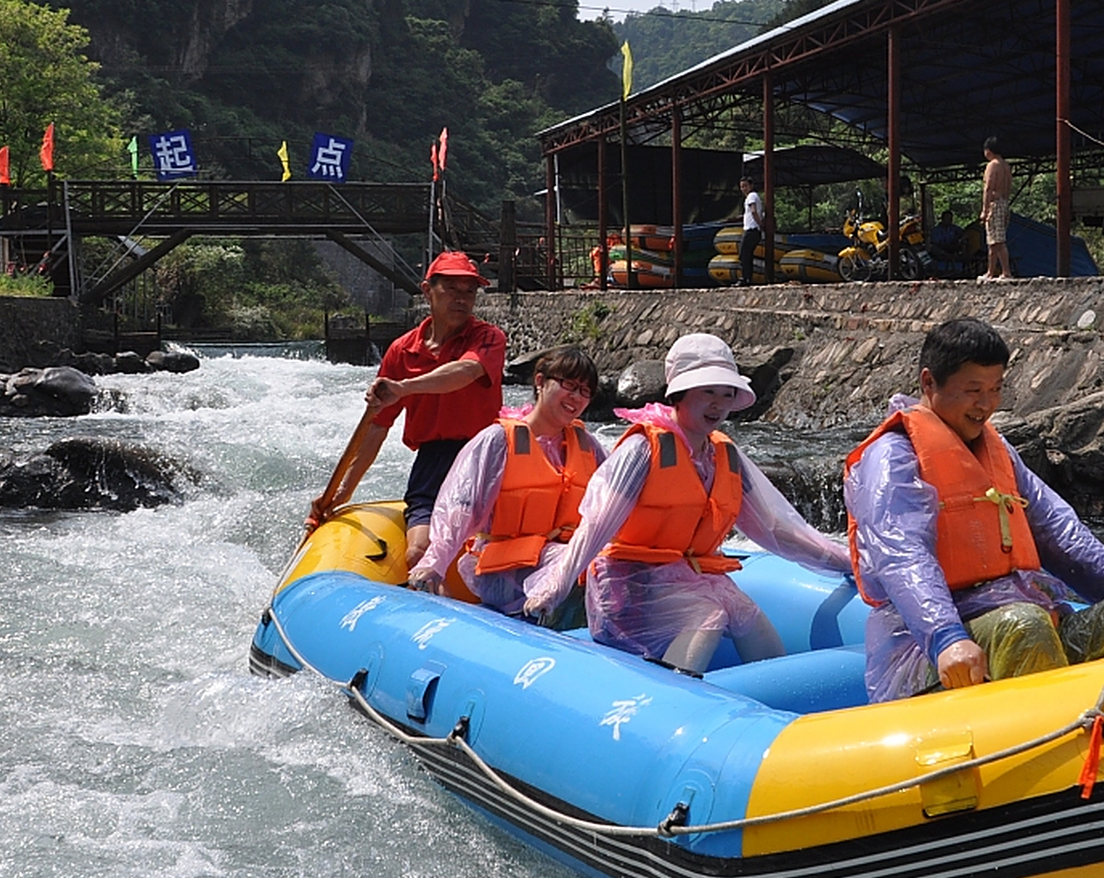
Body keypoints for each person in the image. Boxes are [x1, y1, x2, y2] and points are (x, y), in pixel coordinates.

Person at [844, 317, 1104, 703]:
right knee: (1022, 626)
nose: (987, 405)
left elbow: (1061, 533)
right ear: (929, 383)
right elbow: (902, 555)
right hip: (926, 652)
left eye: (995, 389)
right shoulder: (892, 458)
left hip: (1024, 622)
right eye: (973, 390)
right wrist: (946, 637)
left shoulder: (998, 451)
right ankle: (1053, 745)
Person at [523, 332, 849, 673]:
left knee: (748, 617)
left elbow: (775, 530)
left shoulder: (725, 454)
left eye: (726, 394)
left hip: (690, 578)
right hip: (629, 586)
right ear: (680, 394)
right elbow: (597, 525)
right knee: (708, 614)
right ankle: (671, 702)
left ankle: (785, 708)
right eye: (707, 391)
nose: (718, 404)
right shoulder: (643, 450)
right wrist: (555, 586)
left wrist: (846, 561)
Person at [308, 250, 506, 568]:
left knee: (477, 545)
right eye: (451, 289)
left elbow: (466, 372)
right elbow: (377, 428)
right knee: (418, 552)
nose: (462, 299)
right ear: (427, 291)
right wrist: (343, 491)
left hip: (484, 455)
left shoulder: (487, 337)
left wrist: (403, 388)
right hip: (433, 459)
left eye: (469, 291)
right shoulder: (401, 351)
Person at [406, 345, 606, 626]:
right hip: (502, 569)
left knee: (600, 563)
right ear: (540, 381)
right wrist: (433, 563)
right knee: (577, 562)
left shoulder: (588, 447)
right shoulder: (498, 441)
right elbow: (461, 507)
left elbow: (611, 509)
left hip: (564, 561)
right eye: (569, 385)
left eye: (585, 391)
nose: (576, 397)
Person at [979, 137, 1013, 280]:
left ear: (989, 150)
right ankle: (990, 272)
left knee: (998, 240)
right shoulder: (1006, 166)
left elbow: (988, 188)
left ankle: (1006, 272)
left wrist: (985, 210)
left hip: (995, 204)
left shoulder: (993, 165)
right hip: (1004, 202)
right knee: (993, 241)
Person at [738, 175, 767, 286]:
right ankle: (747, 278)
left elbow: (753, 211)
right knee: (747, 254)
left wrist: (760, 224)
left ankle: (745, 278)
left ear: (751, 186)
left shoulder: (751, 196)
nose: (743, 189)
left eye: (745, 186)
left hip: (752, 229)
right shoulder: (753, 197)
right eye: (741, 187)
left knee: (744, 254)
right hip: (753, 229)